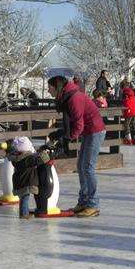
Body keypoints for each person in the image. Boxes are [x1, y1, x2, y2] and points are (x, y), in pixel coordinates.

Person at [47, 75, 106, 218]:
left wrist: (65, 138)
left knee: (88, 168)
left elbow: (78, 126)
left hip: (95, 131)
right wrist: (62, 133)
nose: (48, 91)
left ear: (57, 87)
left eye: (50, 87)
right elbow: (75, 123)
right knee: (81, 166)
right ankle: (84, 201)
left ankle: (93, 204)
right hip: (89, 132)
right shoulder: (68, 97)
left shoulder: (74, 98)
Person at [6, 136, 53, 219]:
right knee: (25, 198)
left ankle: (24, 212)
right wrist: (47, 154)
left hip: (19, 181)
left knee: (23, 198)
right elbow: (39, 160)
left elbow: (10, 152)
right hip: (26, 181)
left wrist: (9, 146)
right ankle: (24, 214)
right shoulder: (28, 159)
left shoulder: (16, 158)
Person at [120, 80, 135, 145]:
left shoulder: (125, 92)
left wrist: (126, 108)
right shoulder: (131, 91)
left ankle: (128, 137)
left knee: (126, 124)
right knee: (134, 123)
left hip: (129, 109)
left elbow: (126, 101)